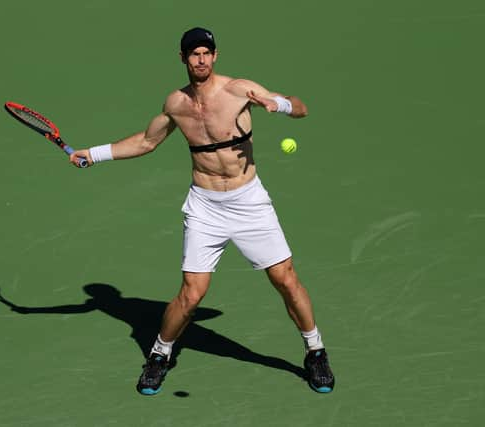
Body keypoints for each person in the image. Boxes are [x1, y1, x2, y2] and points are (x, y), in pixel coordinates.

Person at [70, 27, 335, 395]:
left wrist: (281, 105)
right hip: (205, 206)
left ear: (215, 56)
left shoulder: (240, 90)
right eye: (193, 54)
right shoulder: (176, 104)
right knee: (192, 294)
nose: (201, 59)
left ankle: (315, 351)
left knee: (285, 279)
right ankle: (160, 355)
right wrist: (93, 154)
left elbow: (301, 107)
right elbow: (147, 141)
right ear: (183, 59)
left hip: (248, 201)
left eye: (206, 53)